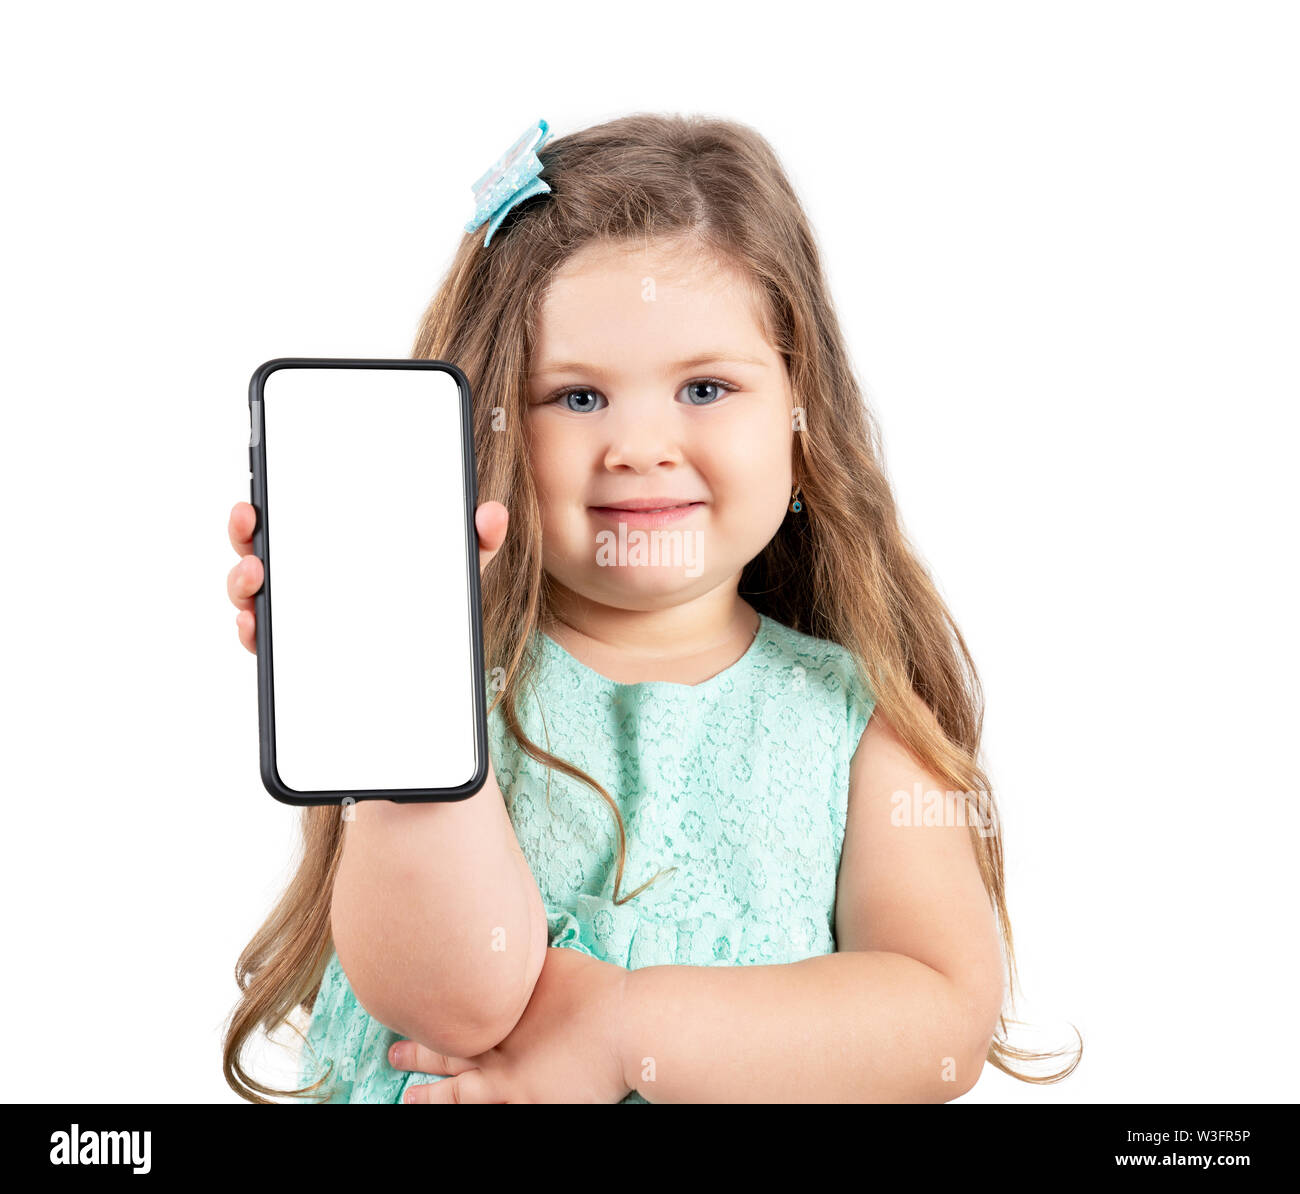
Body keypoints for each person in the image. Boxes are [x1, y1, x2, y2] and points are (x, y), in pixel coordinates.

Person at [222, 113, 1079, 1103]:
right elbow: (446, 1005)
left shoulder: (858, 717)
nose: (640, 445)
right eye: (577, 399)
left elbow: (937, 1022)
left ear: (804, 424)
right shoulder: (469, 697)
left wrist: (624, 1031)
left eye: (705, 388)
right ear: (488, 427)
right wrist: (399, 694)